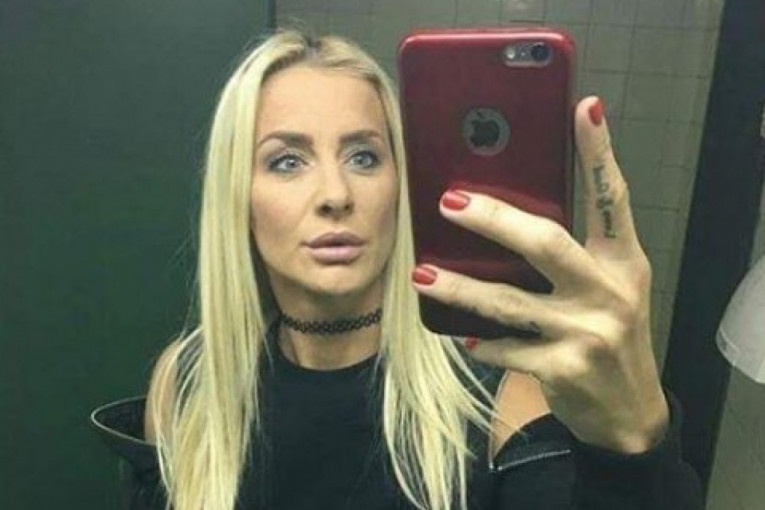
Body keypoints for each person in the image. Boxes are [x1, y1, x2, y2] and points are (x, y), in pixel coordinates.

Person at [91, 29, 703, 510]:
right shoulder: (188, 381)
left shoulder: (499, 393)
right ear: (237, 197)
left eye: (364, 156)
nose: (335, 194)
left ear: (401, 184)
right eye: (286, 162)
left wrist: (633, 445)